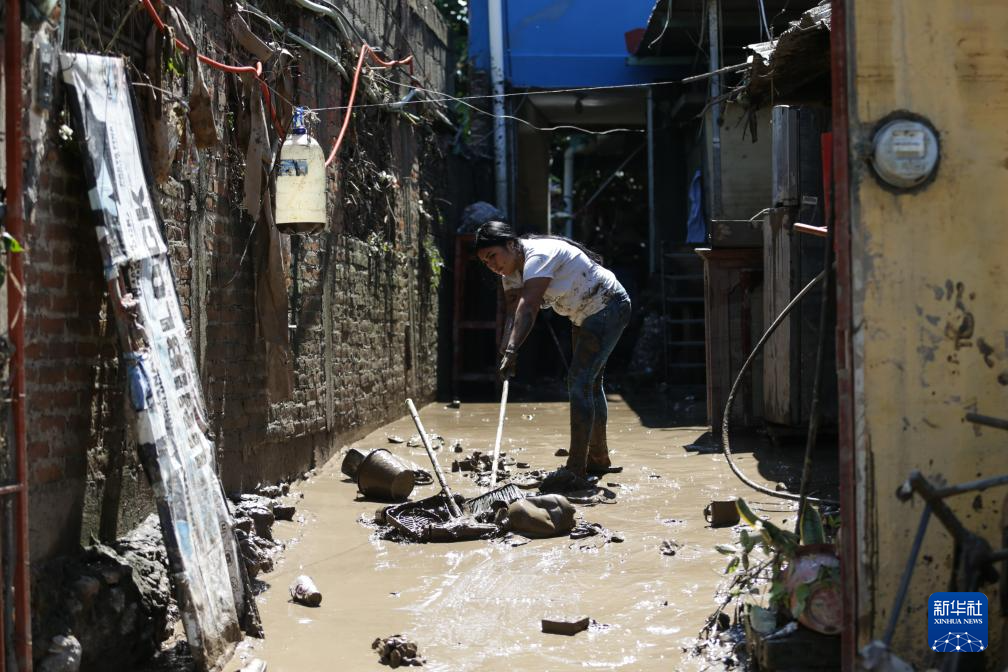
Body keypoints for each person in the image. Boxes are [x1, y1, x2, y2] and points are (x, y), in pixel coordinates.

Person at [474, 221, 631, 492]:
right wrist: (505, 351)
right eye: (485, 261)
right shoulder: (510, 274)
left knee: (579, 382)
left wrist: (513, 349)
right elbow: (513, 314)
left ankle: (576, 469)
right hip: (582, 314)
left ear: (511, 245)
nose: (491, 264)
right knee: (590, 384)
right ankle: (598, 459)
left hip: (608, 305)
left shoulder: (539, 255)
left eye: (493, 256)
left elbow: (529, 307)